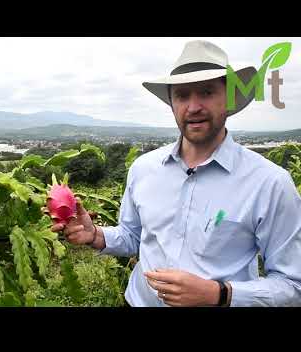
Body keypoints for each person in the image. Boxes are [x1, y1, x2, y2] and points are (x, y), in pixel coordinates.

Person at [52, 40, 301, 307]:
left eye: (207, 92)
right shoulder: (143, 169)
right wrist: (97, 236)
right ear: (171, 104)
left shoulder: (269, 183)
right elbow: (134, 236)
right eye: (182, 95)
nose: (193, 107)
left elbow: (293, 285)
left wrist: (219, 294)